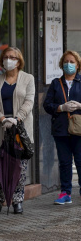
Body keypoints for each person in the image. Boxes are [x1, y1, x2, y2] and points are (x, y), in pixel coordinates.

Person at [0, 47, 35, 214]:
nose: (9, 60)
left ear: (18, 60)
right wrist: (2, 119)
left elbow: (29, 101)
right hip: (0, 128)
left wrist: (17, 119)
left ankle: (17, 201)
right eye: (6, 57)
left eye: (12, 57)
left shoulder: (28, 79)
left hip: (19, 130)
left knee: (19, 167)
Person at [43, 50, 81, 204]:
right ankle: (65, 193)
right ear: (61, 64)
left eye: (72, 62)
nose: (68, 64)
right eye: (66, 62)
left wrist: (80, 105)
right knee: (64, 162)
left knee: (80, 161)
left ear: (78, 65)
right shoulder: (55, 83)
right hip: (61, 129)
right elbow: (47, 105)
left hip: (79, 130)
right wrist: (61, 108)